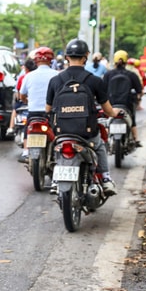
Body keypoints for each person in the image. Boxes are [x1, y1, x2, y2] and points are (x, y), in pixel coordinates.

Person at [45, 39, 121, 197]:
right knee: (99, 145)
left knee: (55, 145)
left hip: (62, 131)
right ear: (86, 56)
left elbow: (48, 109)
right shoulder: (94, 81)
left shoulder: (55, 81)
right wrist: (115, 113)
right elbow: (108, 110)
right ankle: (106, 179)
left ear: (66, 57)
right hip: (87, 133)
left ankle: (55, 179)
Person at [18, 47, 59, 162]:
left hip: (34, 112)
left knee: (28, 127)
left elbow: (21, 95)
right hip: (50, 112)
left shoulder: (29, 76)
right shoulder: (57, 75)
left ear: (36, 60)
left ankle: (25, 152)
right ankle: (56, 151)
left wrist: (26, 101)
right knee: (56, 130)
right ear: (51, 60)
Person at [103, 50, 143, 147]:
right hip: (127, 103)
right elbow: (139, 90)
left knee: (107, 119)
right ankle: (136, 139)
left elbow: (102, 90)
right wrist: (138, 97)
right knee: (132, 120)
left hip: (111, 104)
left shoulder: (108, 74)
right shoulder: (131, 74)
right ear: (126, 61)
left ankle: (105, 139)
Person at [6, 55, 36, 139]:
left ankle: (11, 127)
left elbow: (19, 94)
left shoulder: (23, 77)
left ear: (25, 68)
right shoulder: (38, 76)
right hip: (35, 103)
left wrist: (23, 100)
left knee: (15, 109)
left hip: (24, 101)